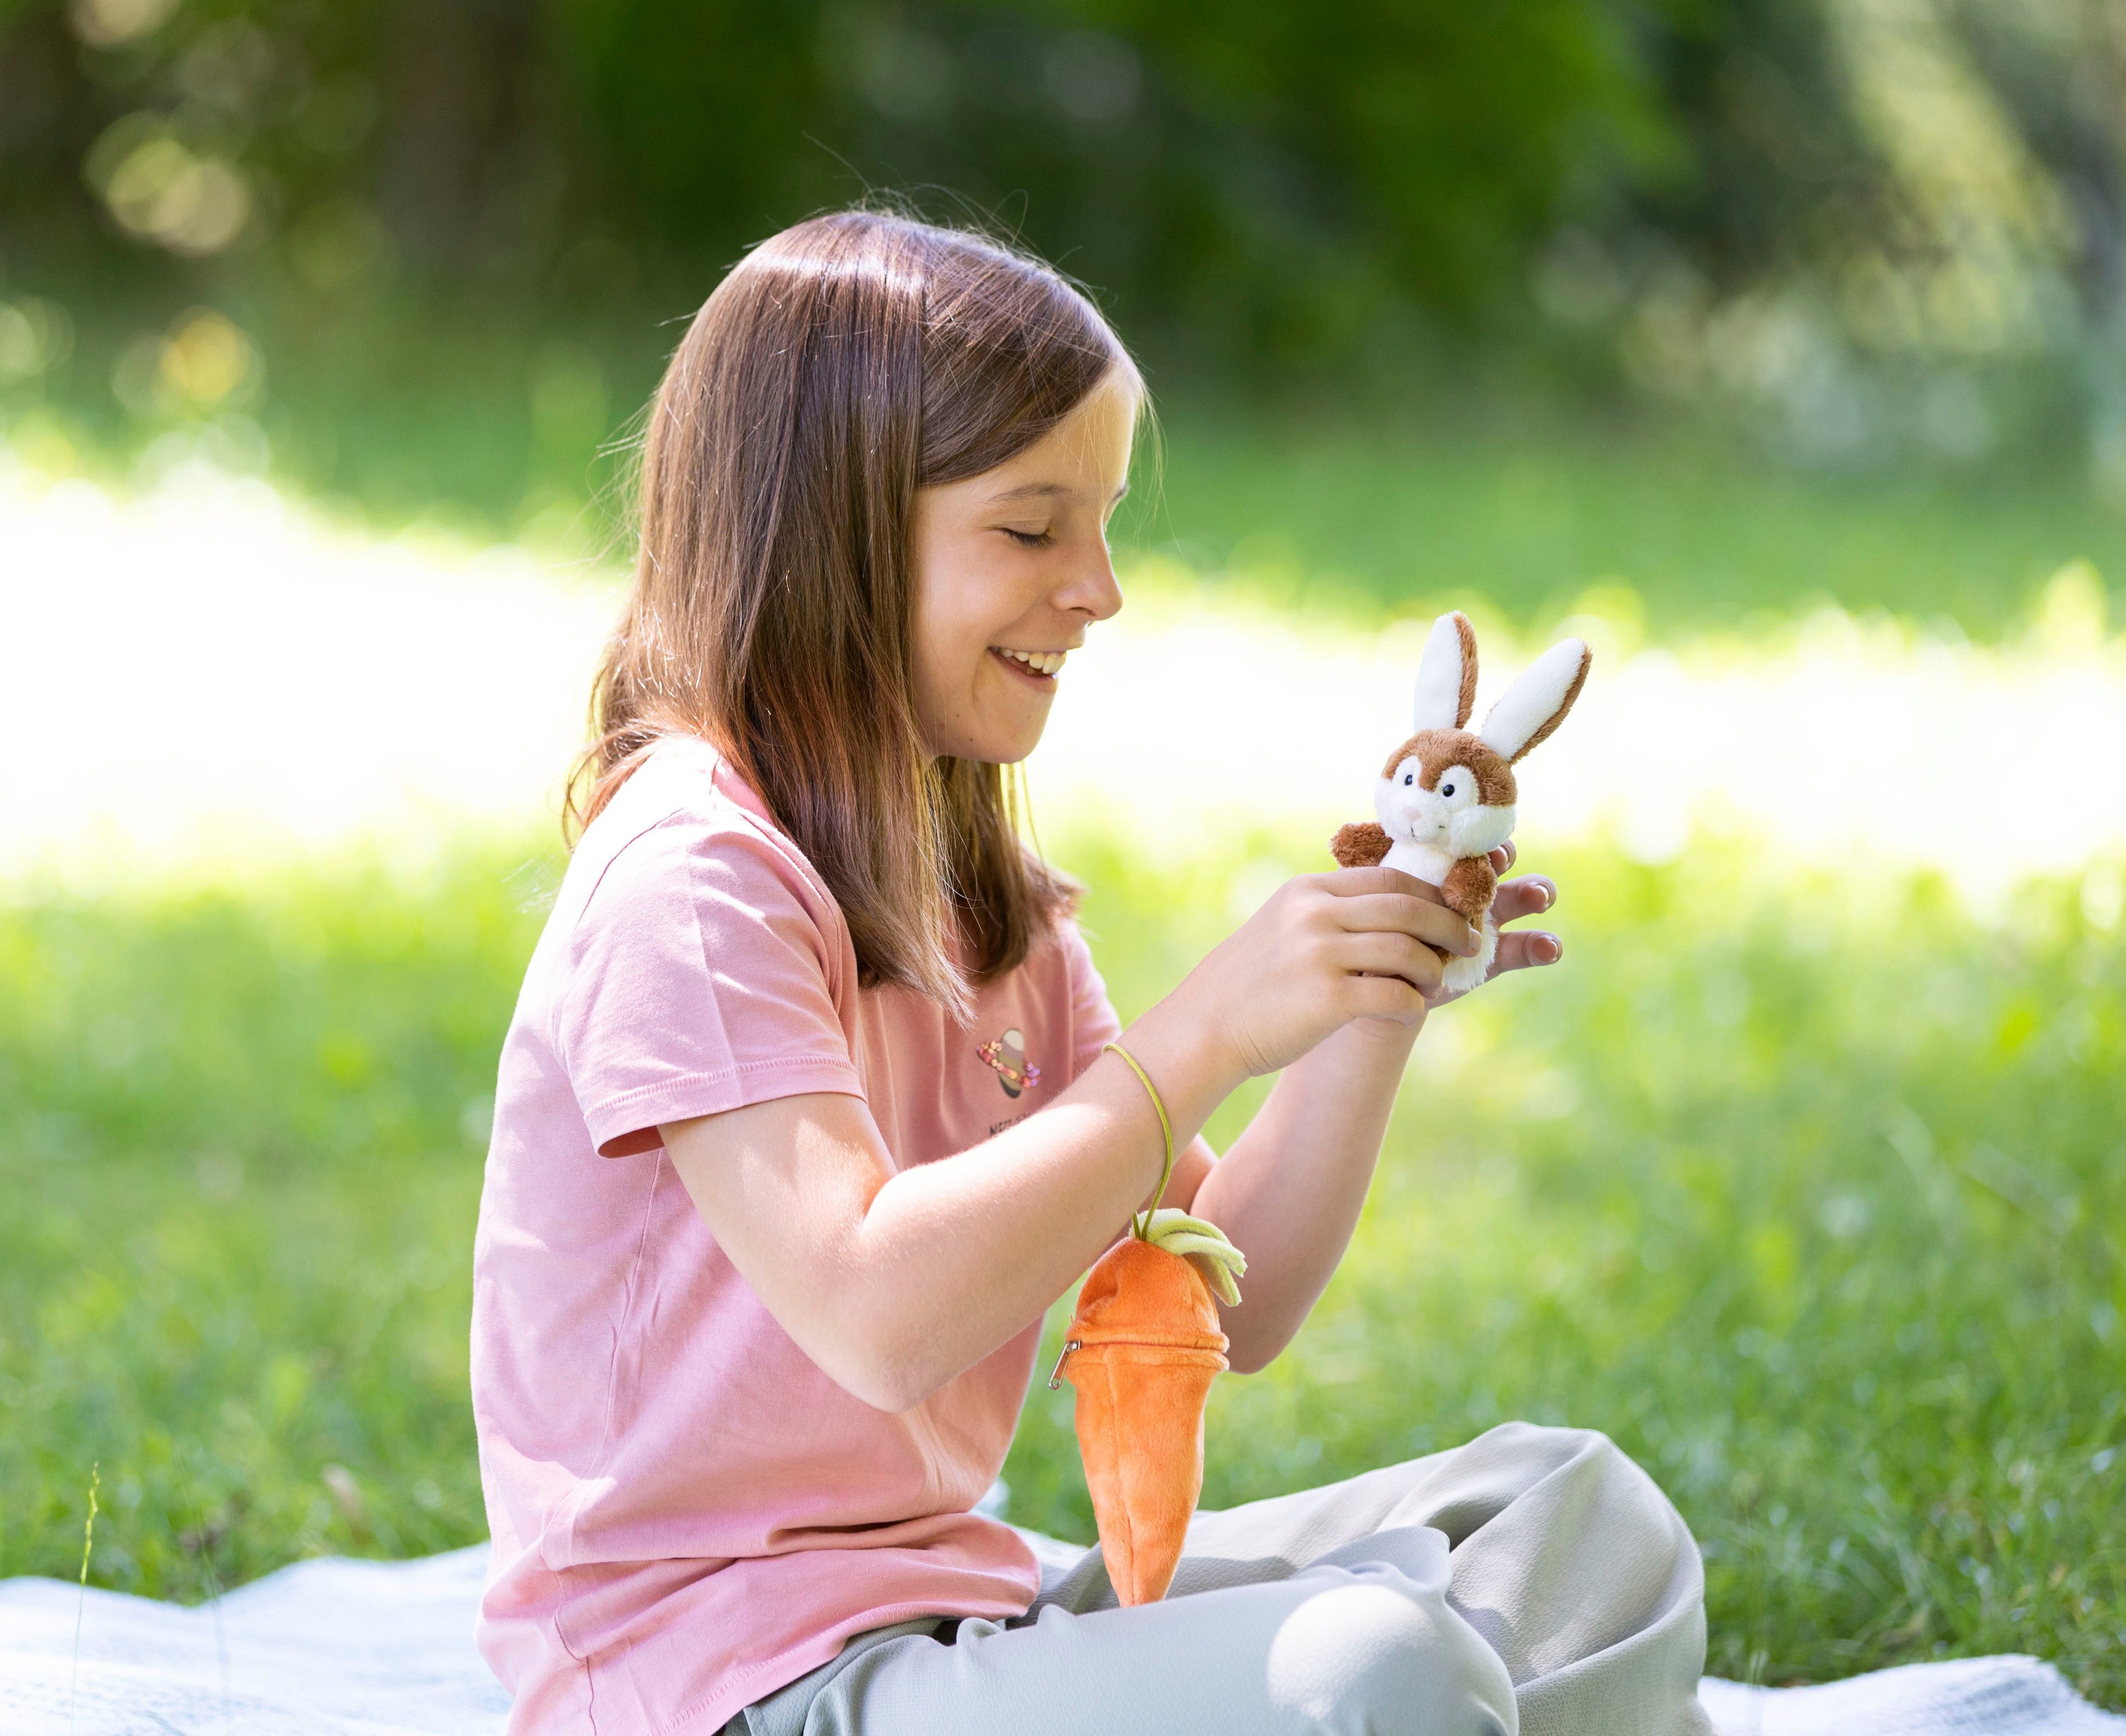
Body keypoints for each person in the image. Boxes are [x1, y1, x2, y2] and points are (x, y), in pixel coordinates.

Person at [468, 209, 1712, 1736]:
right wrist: (1195, 1035)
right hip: (727, 1691)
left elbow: (1228, 1299)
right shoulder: (692, 878)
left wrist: (1358, 1008)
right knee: (1377, 1670)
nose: (1100, 588)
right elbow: (877, 1318)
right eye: (1030, 527)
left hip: (961, 1618)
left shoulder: (983, 907)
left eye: (1104, 523)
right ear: (830, 533)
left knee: (1575, 1520)